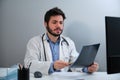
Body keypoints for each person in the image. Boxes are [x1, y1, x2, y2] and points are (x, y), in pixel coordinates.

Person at [24, 7, 99, 75]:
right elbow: (28, 64)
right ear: (45, 24)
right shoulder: (34, 42)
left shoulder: (69, 42)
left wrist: (87, 68)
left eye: (61, 22)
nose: (58, 26)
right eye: (54, 22)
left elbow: (75, 64)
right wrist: (52, 66)